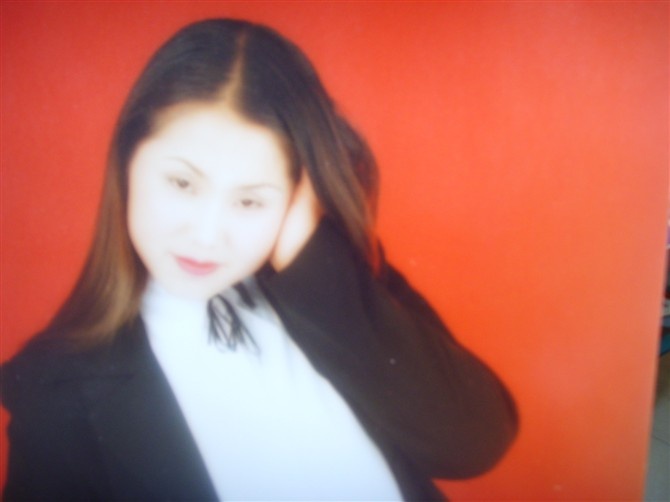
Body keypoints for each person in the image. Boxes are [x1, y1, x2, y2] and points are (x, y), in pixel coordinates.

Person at [1, 18, 518, 501]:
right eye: (182, 183)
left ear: (296, 197)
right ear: (127, 162)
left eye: (250, 201)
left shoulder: (332, 282)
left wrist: (306, 256)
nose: (206, 236)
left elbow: (476, 443)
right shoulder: (52, 394)